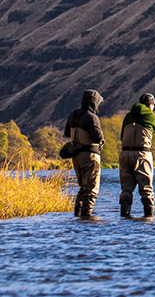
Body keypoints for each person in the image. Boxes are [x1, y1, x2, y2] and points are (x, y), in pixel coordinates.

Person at [119, 93, 155, 217]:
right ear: (150, 105)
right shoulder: (151, 117)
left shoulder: (128, 116)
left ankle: (124, 219)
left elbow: (121, 136)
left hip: (124, 155)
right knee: (146, 189)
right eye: (153, 105)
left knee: (126, 189)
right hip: (142, 154)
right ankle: (149, 219)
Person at [64, 89, 106, 217]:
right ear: (94, 102)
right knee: (92, 190)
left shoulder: (73, 115)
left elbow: (67, 134)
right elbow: (97, 137)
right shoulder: (92, 117)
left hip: (76, 156)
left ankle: (78, 215)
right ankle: (87, 217)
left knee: (82, 189)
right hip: (90, 155)